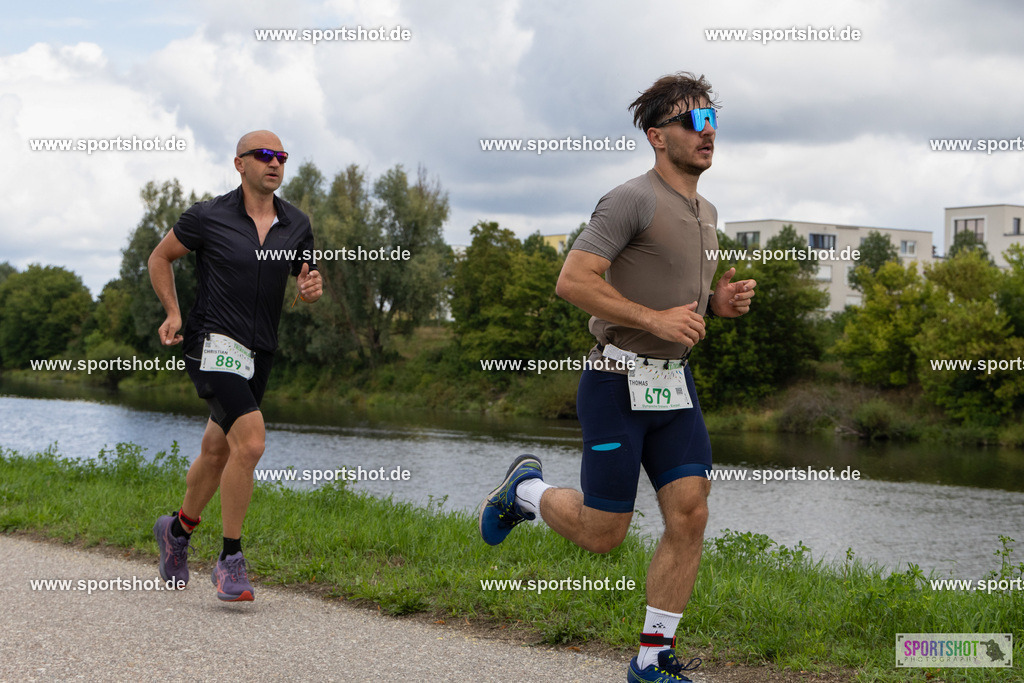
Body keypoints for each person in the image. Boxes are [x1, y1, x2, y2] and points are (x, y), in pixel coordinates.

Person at [478, 73, 755, 681]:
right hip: (615, 383)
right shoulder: (629, 198)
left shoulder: (707, 211)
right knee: (605, 533)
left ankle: (653, 657)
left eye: (712, 120)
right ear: (658, 137)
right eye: (693, 121)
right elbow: (573, 281)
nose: (708, 133)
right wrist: (654, 318)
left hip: (674, 386)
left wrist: (719, 306)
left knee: (690, 513)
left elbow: (680, 295)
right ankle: (522, 493)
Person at [149, 130, 322, 602]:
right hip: (211, 342)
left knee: (217, 450)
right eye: (264, 156)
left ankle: (177, 533)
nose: (275, 163)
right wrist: (173, 312)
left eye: (281, 157)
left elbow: (306, 275)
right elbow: (160, 257)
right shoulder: (208, 216)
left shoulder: (296, 224)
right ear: (239, 164)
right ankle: (229, 560)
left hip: (259, 351)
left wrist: (311, 288)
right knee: (251, 441)